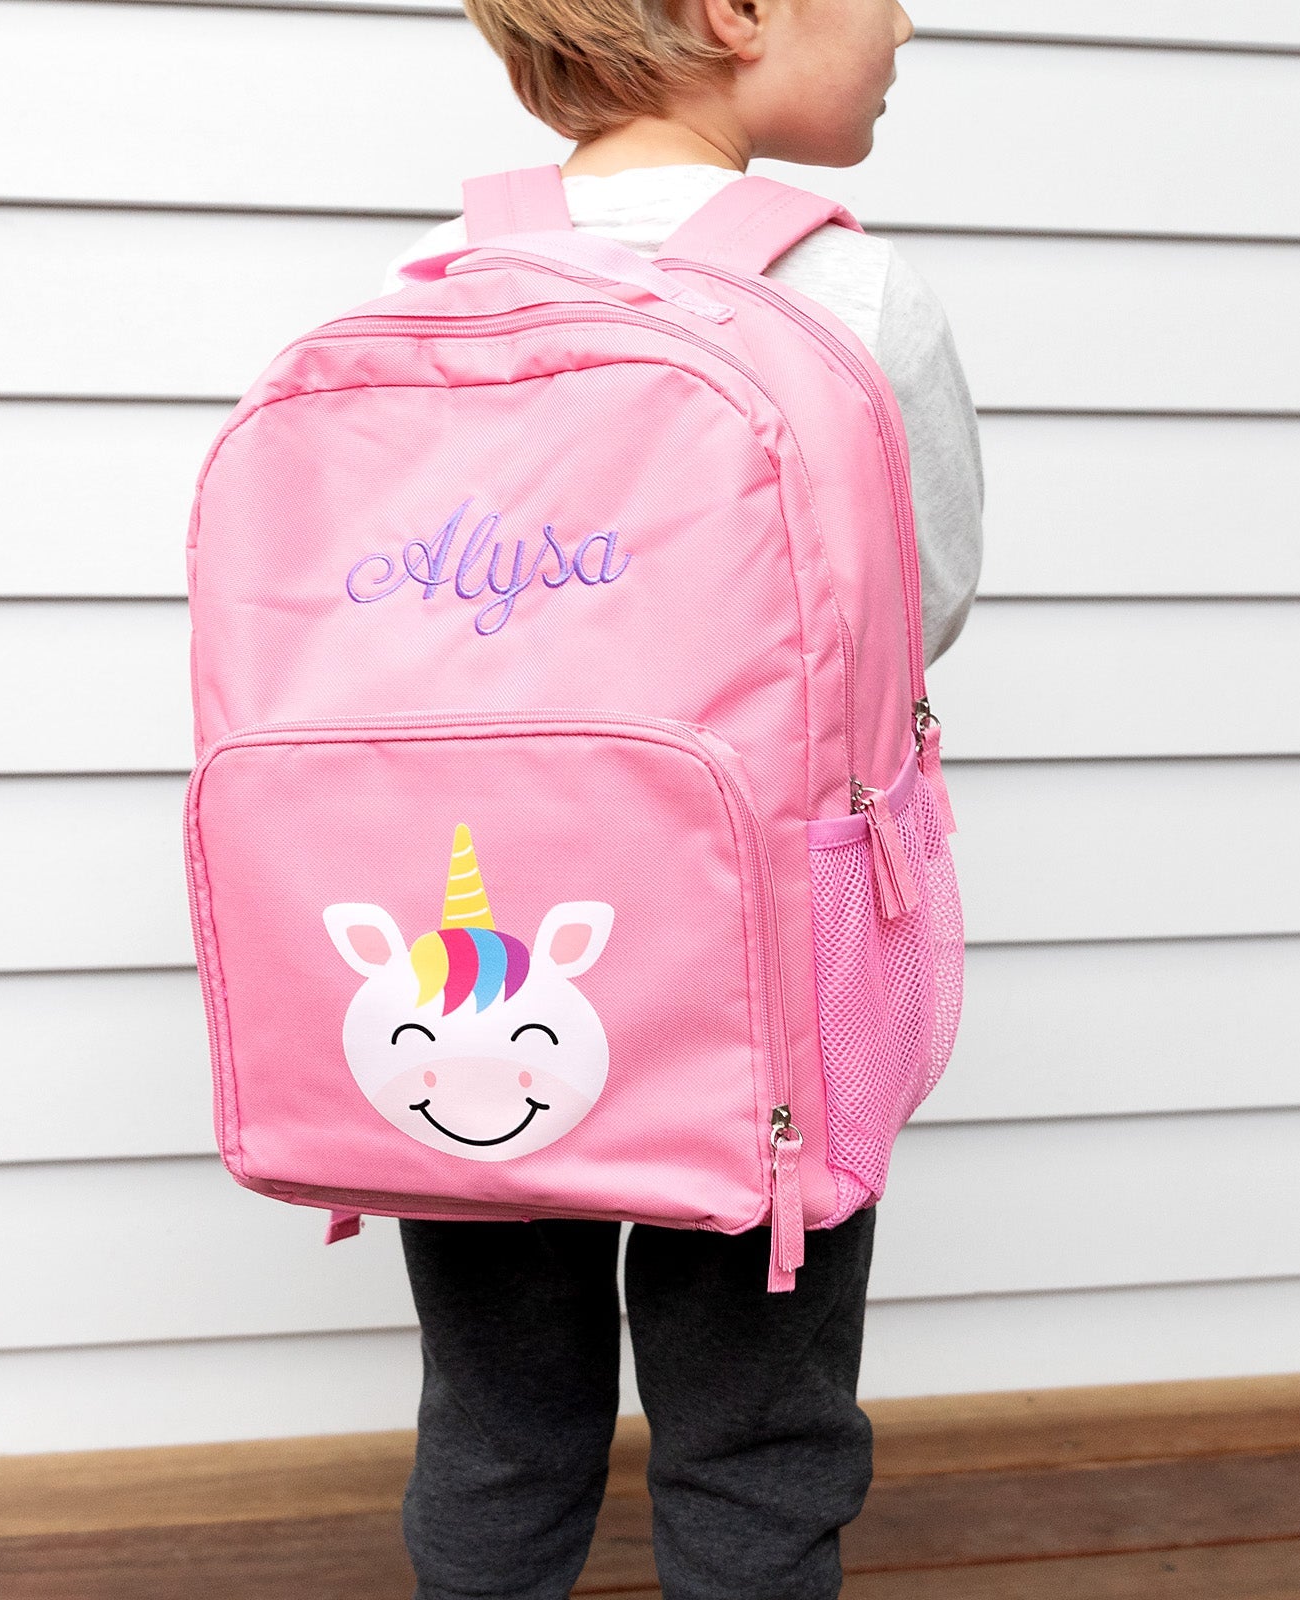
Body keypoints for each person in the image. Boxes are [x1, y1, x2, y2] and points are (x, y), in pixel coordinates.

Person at [377, 2, 983, 1595]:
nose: (905, 17)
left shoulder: (429, 274)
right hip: (763, 967)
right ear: (736, 12)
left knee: (496, 1417)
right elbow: (921, 609)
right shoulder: (843, 284)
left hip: (478, 972)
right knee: (757, 1426)